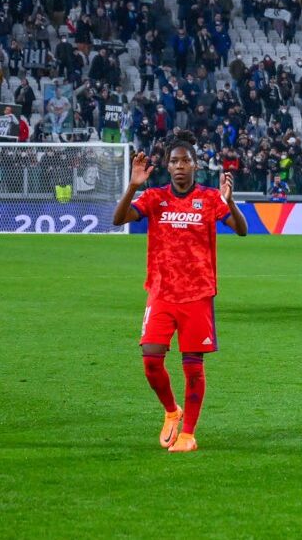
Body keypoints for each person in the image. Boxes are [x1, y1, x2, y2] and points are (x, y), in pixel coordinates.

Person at [112, 131, 249, 453]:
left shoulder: (210, 199)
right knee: (150, 359)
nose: (179, 166)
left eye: (185, 161)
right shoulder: (154, 198)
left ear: (196, 165)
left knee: (193, 365)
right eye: (174, 161)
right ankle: (172, 411)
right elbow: (119, 219)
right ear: (167, 166)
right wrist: (133, 185)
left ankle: (188, 434)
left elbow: (241, 230)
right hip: (161, 292)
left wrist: (229, 201)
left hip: (198, 294)